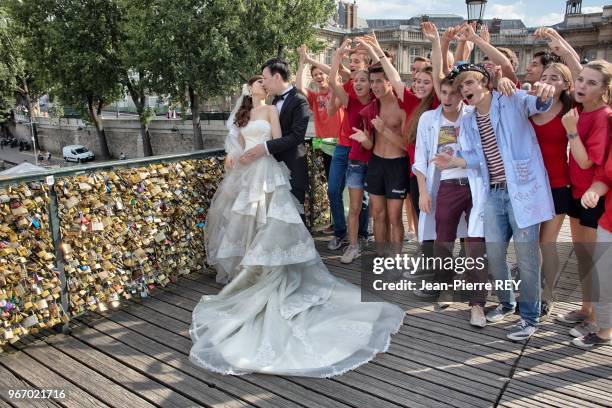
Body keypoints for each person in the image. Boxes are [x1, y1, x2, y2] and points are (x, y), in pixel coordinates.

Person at [191, 75, 404, 377]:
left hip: (265, 169)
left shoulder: (271, 111)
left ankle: (265, 272)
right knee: (245, 220)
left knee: (270, 222)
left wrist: (260, 150)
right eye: (258, 83)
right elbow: (236, 142)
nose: (262, 86)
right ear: (249, 89)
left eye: (265, 83)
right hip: (245, 172)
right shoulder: (242, 113)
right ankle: (246, 272)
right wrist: (234, 153)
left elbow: (279, 141)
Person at [442, 63, 556, 341]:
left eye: (469, 83)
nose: (465, 90)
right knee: (494, 254)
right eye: (461, 86)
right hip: (493, 193)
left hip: (524, 192)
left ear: (485, 83)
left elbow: (541, 104)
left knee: (527, 258)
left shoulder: (512, 99)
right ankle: (507, 302)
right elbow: (477, 160)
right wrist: (457, 161)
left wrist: (544, 91)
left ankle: (529, 317)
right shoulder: (468, 120)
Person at [557, 60, 612, 338]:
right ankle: (585, 308)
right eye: (580, 79)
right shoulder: (580, 109)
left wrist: (571, 131)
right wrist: (559, 45)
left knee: (594, 259)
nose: (581, 85)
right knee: (582, 256)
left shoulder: (603, 115)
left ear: (604, 90)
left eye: (591, 83)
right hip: (577, 191)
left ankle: (594, 318)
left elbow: (587, 161)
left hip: (593, 195)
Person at [528, 63, 574, 318]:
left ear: (566, 85)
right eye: (544, 76)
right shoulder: (529, 104)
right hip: (532, 185)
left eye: (555, 78)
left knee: (547, 243)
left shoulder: (569, 110)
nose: (547, 80)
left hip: (558, 184)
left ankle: (548, 293)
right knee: (532, 244)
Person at [240, 59, 309, 213]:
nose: (263, 83)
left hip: (292, 166)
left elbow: (297, 136)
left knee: (293, 218)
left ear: (277, 76)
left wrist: (264, 147)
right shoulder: (274, 101)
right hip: (270, 170)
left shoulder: (300, 100)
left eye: (265, 78)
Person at [328, 48, 374, 263]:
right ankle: (353, 245)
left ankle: (383, 249)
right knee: (354, 206)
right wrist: (337, 58)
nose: (357, 83)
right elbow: (332, 83)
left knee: (379, 209)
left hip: (376, 160)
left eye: (362, 80)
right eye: (355, 80)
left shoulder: (379, 100)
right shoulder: (350, 102)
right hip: (356, 160)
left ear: (371, 83)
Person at [573, 147, 612, 348]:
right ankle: (605, 331)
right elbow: (605, 177)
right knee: (602, 281)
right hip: (609, 224)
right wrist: (593, 192)